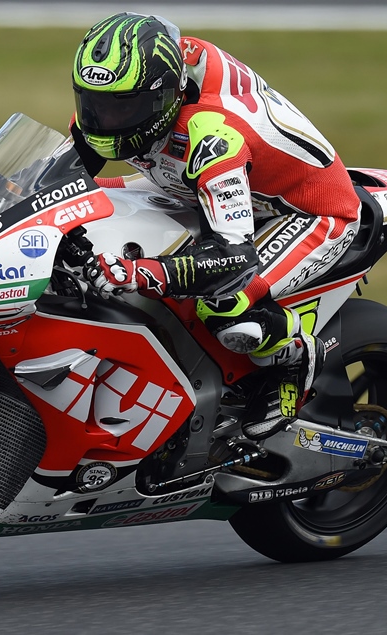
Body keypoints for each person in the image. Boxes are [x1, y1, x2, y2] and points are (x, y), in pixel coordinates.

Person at [74, 13, 361, 439]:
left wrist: (144, 273)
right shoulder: (146, 77)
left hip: (302, 210)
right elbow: (70, 175)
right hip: (191, 183)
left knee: (225, 304)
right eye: (93, 104)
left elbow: (233, 258)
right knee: (88, 208)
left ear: (163, 97)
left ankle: (298, 356)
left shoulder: (212, 135)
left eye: (123, 109)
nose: (103, 122)